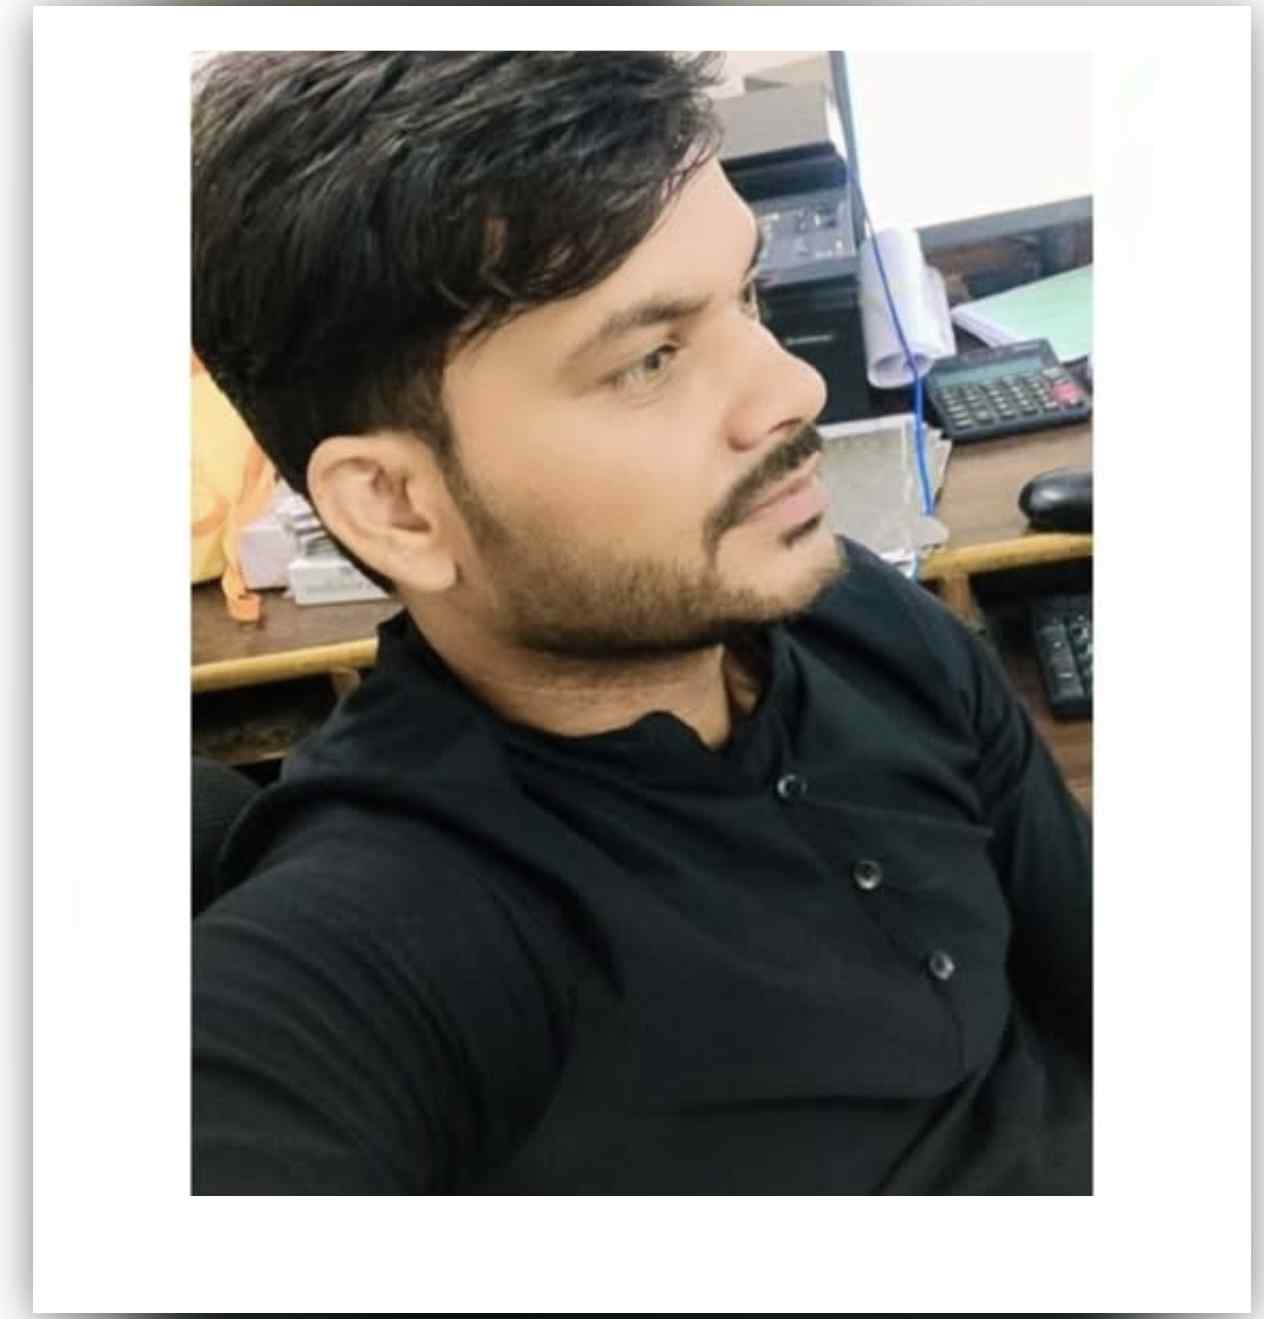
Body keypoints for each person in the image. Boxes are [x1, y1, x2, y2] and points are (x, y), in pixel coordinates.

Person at [191, 50, 1091, 1194]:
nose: (793, 392)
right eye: (651, 359)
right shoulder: (390, 935)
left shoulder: (857, 611)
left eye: (748, 297)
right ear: (398, 506)